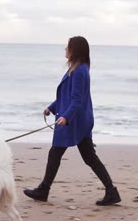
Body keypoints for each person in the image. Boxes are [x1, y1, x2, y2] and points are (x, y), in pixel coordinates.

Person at [24, 36, 121, 206]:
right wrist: (52, 108)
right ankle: (111, 192)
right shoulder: (76, 69)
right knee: (88, 157)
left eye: (67, 47)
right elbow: (66, 97)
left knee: (58, 154)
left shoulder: (79, 71)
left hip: (76, 122)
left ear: (74, 50)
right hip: (77, 120)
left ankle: (43, 190)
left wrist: (66, 117)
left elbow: (77, 100)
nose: (65, 50)